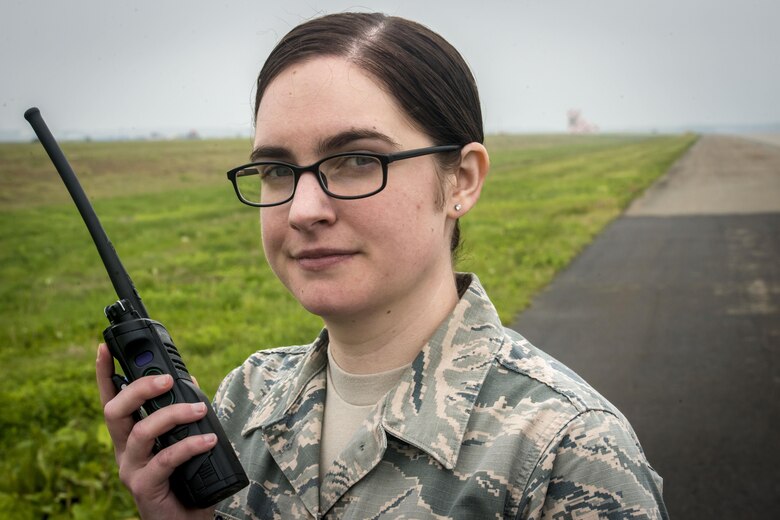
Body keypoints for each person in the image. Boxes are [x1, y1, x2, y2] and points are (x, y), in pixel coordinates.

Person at [96, 12, 668, 519]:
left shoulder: (566, 451)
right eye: (276, 169)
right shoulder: (244, 399)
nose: (303, 210)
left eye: (356, 160)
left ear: (461, 180)